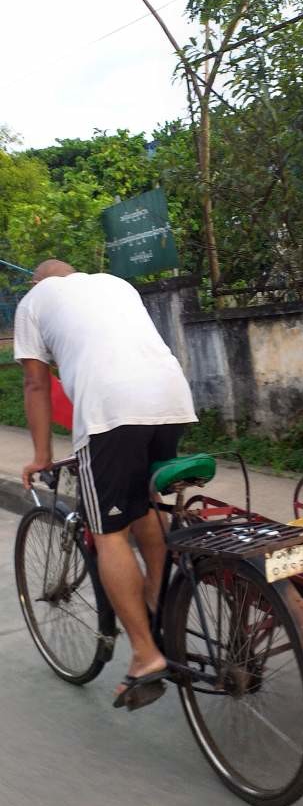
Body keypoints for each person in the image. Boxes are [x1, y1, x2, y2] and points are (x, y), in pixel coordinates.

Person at [14, 259, 198, 708]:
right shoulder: (116, 284)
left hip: (111, 410)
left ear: (39, 281)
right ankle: (156, 593)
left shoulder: (32, 301)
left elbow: (36, 385)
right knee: (144, 502)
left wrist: (41, 455)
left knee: (108, 532)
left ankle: (144, 653)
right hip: (171, 398)